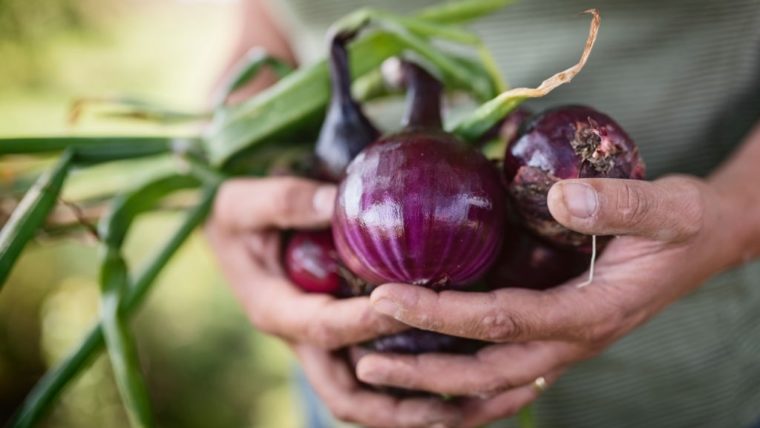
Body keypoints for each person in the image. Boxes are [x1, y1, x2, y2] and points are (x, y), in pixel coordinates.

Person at [207, 0, 760, 427]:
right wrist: (231, 166)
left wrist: (734, 216)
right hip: (359, 376)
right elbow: (266, 25)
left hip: (680, 365)